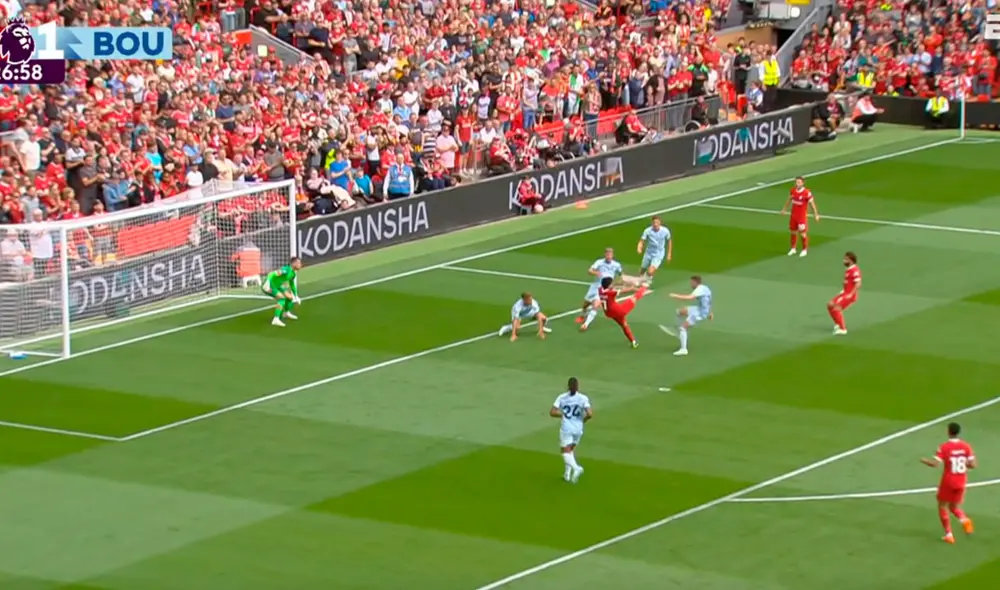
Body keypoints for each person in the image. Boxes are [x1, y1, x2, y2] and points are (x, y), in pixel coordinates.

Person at [920, 422, 975, 544]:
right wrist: (963, 463)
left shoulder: (944, 447)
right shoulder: (966, 446)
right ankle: (964, 520)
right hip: (961, 481)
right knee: (954, 507)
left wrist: (924, 461)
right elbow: (973, 465)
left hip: (949, 481)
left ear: (948, 432)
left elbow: (935, 464)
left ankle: (949, 534)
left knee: (942, 505)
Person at [550, 377, 592, 483]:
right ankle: (567, 474)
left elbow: (552, 412)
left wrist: (563, 414)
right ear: (578, 386)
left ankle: (577, 468)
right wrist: (583, 420)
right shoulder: (583, 398)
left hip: (567, 428)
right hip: (578, 428)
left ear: (568, 386)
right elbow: (590, 414)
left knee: (565, 452)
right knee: (570, 451)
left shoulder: (562, 397)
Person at [664, 275, 713, 356]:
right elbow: (709, 300)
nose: (690, 284)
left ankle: (683, 349)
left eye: (691, 282)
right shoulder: (705, 288)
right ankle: (678, 330)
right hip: (700, 309)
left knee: (683, 327)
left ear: (695, 282)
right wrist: (710, 312)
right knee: (679, 311)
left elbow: (689, 297)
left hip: (700, 313)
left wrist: (675, 296)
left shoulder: (699, 289)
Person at [596, 276, 650, 348]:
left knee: (624, 325)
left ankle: (633, 341)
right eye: (611, 283)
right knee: (634, 298)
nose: (612, 284)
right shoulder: (611, 293)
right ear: (609, 285)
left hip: (609, 313)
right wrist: (632, 287)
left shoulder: (600, 290)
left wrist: (620, 284)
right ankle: (645, 287)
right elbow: (624, 291)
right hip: (619, 310)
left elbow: (612, 288)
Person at [577, 248, 623, 330]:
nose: (609, 256)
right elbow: (589, 271)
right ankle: (582, 315)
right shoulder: (599, 262)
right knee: (585, 304)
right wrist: (596, 272)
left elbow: (621, 274)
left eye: (610, 254)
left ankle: (585, 324)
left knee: (596, 305)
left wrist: (616, 283)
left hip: (604, 289)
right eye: (607, 254)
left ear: (612, 255)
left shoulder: (616, 265)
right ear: (605, 255)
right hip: (595, 287)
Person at [780, 177, 820, 257]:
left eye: (798, 182)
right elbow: (789, 199)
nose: (797, 184)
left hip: (801, 217)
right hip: (793, 216)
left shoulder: (807, 193)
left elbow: (812, 204)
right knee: (793, 232)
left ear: (802, 183)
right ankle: (793, 248)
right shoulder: (793, 191)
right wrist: (784, 209)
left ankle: (804, 249)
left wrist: (816, 214)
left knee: (803, 234)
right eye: (796, 182)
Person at [263, 257, 303, 327]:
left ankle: (286, 313)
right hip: (269, 286)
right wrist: (267, 282)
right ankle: (276, 319)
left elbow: (292, 284)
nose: (300, 265)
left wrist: (296, 295)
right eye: (299, 263)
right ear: (293, 264)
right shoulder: (286, 270)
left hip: (278, 286)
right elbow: (271, 274)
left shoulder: (293, 273)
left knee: (290, 297)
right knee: (282, 299)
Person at [828, 251, 861, 335]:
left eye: (846, 259)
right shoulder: (849, 269)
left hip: (849, 295)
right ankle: (837, 324)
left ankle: (843, 329)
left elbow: (858, 283)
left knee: (836, 308)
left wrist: (851, 294)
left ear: (851, 261)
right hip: (844, 293)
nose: (844, 261)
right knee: (830, 304)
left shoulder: (854, 270)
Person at [637, 215, 672, 284]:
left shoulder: (665, 231)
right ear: (652, 223)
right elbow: (642, 241)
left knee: (650, 271)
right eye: (654, 223)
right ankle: (640, 279)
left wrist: (669, 253)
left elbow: (669, 241)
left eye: (657, 222)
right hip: (649, 252)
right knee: (643, 269)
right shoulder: (647, 231)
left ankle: (648, 279)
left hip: (659, 253)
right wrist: (639, 247)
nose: (655, 224)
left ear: (660, 223)